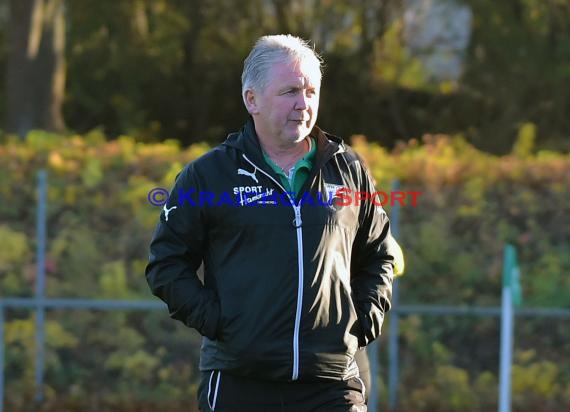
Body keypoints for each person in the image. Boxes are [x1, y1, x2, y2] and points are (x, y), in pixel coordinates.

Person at [146, 34, 401, 412]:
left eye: (311, 92)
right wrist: (222, 323)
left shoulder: (348, 169)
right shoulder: (209, 176)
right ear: (252, 100)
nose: (303, 104)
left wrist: (362, 321)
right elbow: (166, 264)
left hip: (331, 384)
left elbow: (379, 254)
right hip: (239, 382)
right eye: (290, 92)